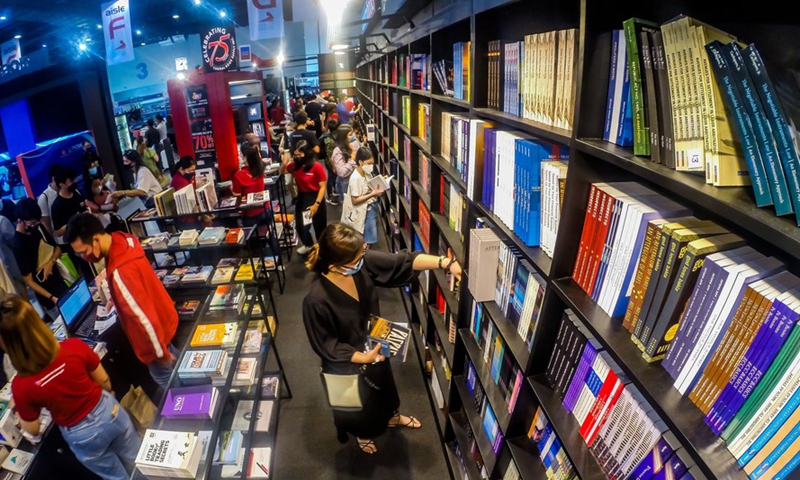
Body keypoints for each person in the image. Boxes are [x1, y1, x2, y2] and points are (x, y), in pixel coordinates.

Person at [302, 223, 462, 453]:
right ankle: (362, 434)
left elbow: (402, 261)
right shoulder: (315, 300)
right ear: (335, 266)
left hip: (375, 347)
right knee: (356, 406)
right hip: (346, 364)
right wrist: (362, 357)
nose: (363, 258)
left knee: (385, 389)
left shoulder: (359, 262)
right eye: (358, 257)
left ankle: (391, 417)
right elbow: (326, 345)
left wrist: (445, 263)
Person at [1, 297, 140, 480]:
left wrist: (18, 407)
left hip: (81, 434)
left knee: (116, 476)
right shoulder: (73, 346)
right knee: (139, 461)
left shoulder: (22, 385)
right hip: (110, 411)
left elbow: (33, 429)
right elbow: (105, 381)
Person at [65, 213, 179, 388]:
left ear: (96, 240)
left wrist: (160, 353)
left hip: (156, 342)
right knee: (180, 368)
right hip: (165, 318)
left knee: (173, 386)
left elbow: (144, 319)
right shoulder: (124, 239)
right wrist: (115, 297)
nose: (84, 258)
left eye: (83, 252)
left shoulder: (121, 272)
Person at [11, 198, 68, 310]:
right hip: (47, 296)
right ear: (20, 221)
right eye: (32, 223)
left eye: (37, 222)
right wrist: (51, 297)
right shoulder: (18, 244)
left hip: (60, 282)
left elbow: (57, 249)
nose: (35, 225)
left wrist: (50, 263)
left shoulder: (39, 228)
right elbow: (28, 280)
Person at [280, 140, 327, 255]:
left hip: (316, 197)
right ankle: (309, 245)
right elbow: (283, 172)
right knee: (301, 227)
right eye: (295, 155)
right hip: (303, 197)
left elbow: (322, 187)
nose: (297, 157)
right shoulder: (295, 166)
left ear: (307, 153)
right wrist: (284, 163)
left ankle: (322, 251)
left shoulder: (317, 167)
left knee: (320, 227)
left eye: (300, 155)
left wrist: (316, 205)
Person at [233, 147, 280, 256]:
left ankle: (261, 266)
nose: (239, 156)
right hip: (265, 209)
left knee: (255, 242)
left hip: (250, 214)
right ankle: (278, 262)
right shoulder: (260, 168)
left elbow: (237, 196)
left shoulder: (239, 175)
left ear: (245, 157)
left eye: (240, 154)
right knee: (271, 235)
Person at [341, 147, 383, 245]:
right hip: (363, 212)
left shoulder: (366, 173)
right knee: (366, 241)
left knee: (370, 239)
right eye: (369, 163)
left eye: (372, 163)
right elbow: (355, 200)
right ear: (360, 162)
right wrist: (373, 194)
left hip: (370, 209)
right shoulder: (356, 178)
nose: (371, 166)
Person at [50, 167, 88, 241]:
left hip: (87, 231)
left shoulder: (77, 192)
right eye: (71, 181)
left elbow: (84, 207)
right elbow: (57, 232)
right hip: (75, 239)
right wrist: (73, 222)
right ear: (62, 185)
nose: (74, 182)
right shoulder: (57, 205)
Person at [331, 124, 357, 203]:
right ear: (344, 136)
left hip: (352, 180)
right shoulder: (337, 151)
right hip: (345, 183)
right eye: (350, 134)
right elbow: (342, 173)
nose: (353, 136)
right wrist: (352, 159)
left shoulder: (350, 146)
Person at [320, 118, 340, 205]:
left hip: (332, 161)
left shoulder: (330, 135)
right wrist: (334, 167)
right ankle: (329, 196)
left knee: (333, 177)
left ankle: (334, 190)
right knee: (331, 177)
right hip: (330, 163)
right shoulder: (330, 141)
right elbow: (330, 156)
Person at [38, 164, 61, 235]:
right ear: (54, 179)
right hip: (59, 238)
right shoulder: (44, 197)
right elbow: (46, 223)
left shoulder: (66, 190)